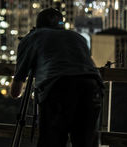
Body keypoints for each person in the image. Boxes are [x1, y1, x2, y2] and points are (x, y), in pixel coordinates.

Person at [10, 8, 104, 147]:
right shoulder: (78, 37)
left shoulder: (32, 37)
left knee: (51, 141)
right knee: (85, 141)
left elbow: (16, 90)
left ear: (37, 25)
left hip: (58, 88)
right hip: (93, 88)